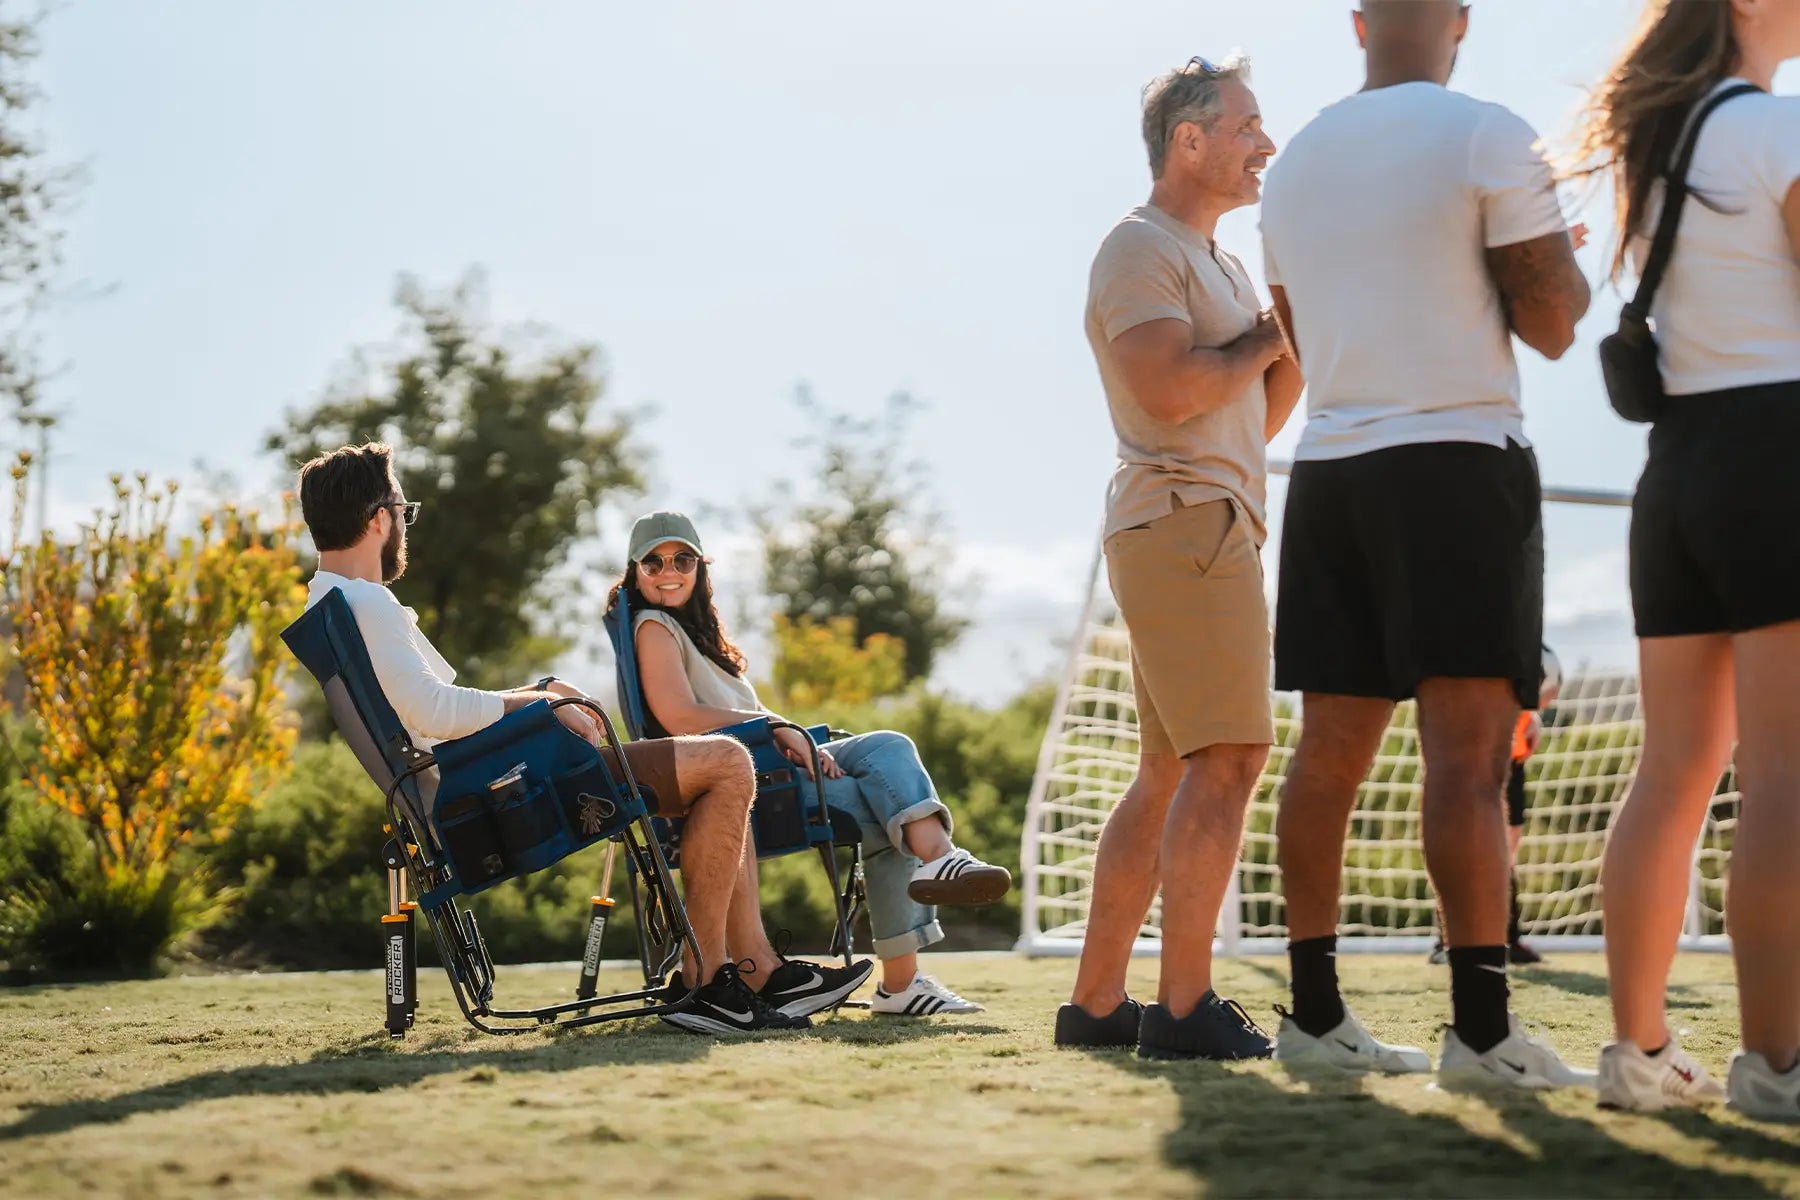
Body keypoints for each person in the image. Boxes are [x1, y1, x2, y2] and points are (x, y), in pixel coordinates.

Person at [1258, 0, 1593, 1085]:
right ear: (1460, 20)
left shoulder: (1295, 161)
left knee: (1327, 758)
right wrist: (1552, 258)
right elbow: (1551, 319)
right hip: (1455, 462)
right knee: (1467, 763)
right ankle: (1483, 1036)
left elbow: (1302, 332)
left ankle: (1313, 1017)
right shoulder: (1490, 133)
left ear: (1358, 23)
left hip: (1331, 470)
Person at [294, 441, 834, 1035]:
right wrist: (543, 701)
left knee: (719, 770)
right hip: (494, 792)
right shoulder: (369, 602)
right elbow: (437, 711)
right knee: (730, 763)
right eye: (405, 512)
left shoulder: (332, 601)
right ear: (378, 519)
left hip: (479, 779)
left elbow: (429, 714)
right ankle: (708, 980)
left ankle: (733, 970)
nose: (404, 526)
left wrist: (539, 689)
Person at [1567, 0, 1800, 1118]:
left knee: (1675, 772)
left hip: (1681, 474)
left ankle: (1639, 1054)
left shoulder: (1665, 151)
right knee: (1786, 775)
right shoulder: (1774, 129)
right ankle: (1778, 1067)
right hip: (1777, 460)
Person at [1052, 54, 1303, 1060]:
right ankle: (1187, 1010)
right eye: (1246, 125)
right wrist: (1265, 338)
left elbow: (1254, 411)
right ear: (1188, 140)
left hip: (1207, 519)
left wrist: (1291, 341)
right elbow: (1168, 388)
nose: (1266, 144)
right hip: (1183, 520)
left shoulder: (1224, 265)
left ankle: (1098, 1008)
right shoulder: (1137, 249)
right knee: (1231, 758)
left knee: (1167, 772)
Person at [609, 510, 1010, 1017]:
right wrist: (776, 725)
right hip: (753, 780)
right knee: (893, 816)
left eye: (682, 558)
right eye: (654, 561)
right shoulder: (652, 624)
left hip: (773, 762)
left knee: (890, 746)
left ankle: (941, 859)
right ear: (635, 570)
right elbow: (676, 714)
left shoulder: (695, 633)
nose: (670, 570)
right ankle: (902, 983)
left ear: (700, 566)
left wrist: (784, 731)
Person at [1430, 644, 1562, 966]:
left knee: (1507, 851)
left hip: (1512, 760)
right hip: (1475, 755)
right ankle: (1446, 941)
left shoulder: (1527, 652)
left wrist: (1531, 716)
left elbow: (1537, 700)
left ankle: (1509, 938)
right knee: (1465, 844)